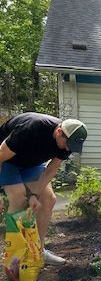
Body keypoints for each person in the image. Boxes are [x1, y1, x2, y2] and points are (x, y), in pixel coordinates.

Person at [0, 113, 88, 265]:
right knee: (19, 198)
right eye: (67, 144)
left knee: (48, 199)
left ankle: (38, 252)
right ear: (59, 131)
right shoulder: (31, 129)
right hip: (7, 160)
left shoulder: (68, 140)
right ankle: (13, 257)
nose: (68, 149)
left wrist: (35, 194)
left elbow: (51, 169)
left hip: (31, 162)